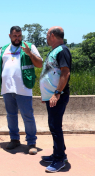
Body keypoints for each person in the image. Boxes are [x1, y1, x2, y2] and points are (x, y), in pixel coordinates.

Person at [0, 26, 43, 155]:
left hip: (24, 88)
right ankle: (14, 139)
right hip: (7, 88)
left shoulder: (29, 47)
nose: (18, 38)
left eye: (19, 35)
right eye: (15, 36)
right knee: (11, 115)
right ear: (10, 36)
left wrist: (29, 54)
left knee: (27, 116)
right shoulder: (3, 49)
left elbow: (40, 64)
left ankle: (31, 143)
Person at [40, 26, 71, 173]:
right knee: (54, 127)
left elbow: (65, 73)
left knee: (55, 127)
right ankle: (57, 153)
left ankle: (59, 160)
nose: (46, 37)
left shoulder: (62, 50)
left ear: (52, 35)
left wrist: (57, 92)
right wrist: (46, 95)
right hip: (51, 97)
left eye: (47, 34)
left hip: (57, 96)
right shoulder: (55, 50)